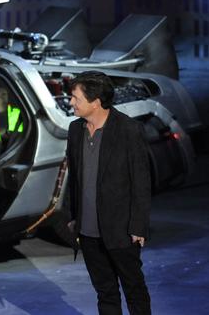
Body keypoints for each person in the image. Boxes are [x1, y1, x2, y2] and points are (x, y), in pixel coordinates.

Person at [66, 71, 151, 314]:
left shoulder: (128, 130)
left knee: (134, 289)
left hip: (121, 230)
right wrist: (75, 216)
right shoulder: (75, 130)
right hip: (88, 231)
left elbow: (141, 182)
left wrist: (138, 226)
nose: (71, 102)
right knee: (105, 292)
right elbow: (76, 179)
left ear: (95, 102)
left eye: (75, 98)